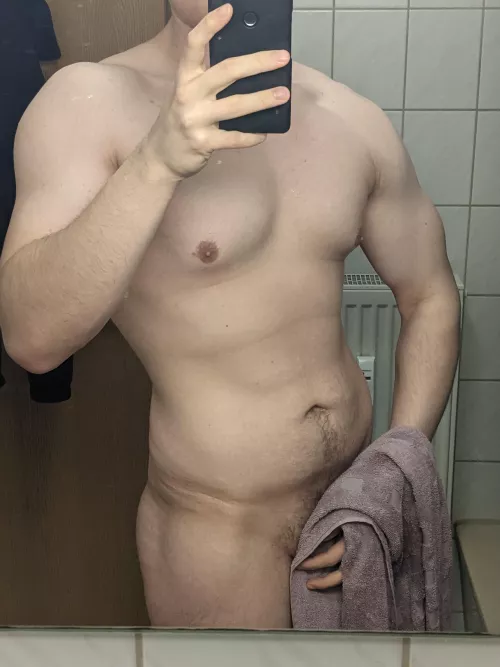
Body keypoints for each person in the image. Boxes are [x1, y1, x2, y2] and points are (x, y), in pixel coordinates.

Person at [0, 1, 460, 628]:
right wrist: (157, 161)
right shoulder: (88, 104)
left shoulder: (350, 118)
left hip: (353, 516)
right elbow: (32, 337)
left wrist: (390, 478)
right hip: (217, 537)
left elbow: (431, 296)